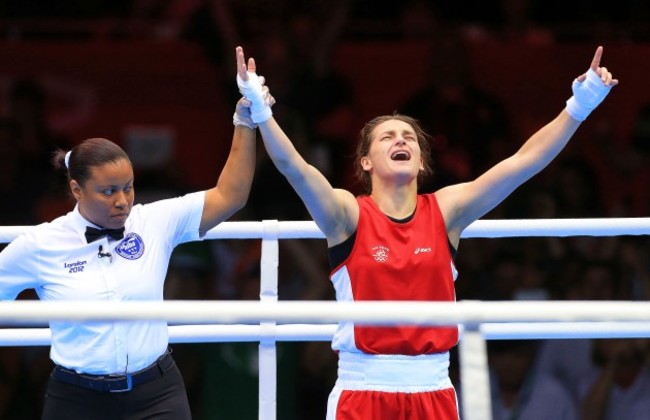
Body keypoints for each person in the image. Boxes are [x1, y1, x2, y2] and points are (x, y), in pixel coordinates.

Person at [236, 44, 618, 419]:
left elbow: (524, 162)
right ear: (365, 161)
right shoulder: (347, 214)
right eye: (387, 136)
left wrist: (579, 106)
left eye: (409, 138)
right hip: (363, 391)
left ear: (420, 161)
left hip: (433, 391)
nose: (400, 139)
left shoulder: (447, 211)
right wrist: (262, 110)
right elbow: (295, 168)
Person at [0, 47, 264, 420]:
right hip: (77, 400)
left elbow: (230, 196)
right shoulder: (41, 244)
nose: (122, 200)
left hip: (156, 394)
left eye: (128, 187)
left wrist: (245, 119)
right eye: (108, 192)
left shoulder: (154, 221)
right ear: (76, 190)